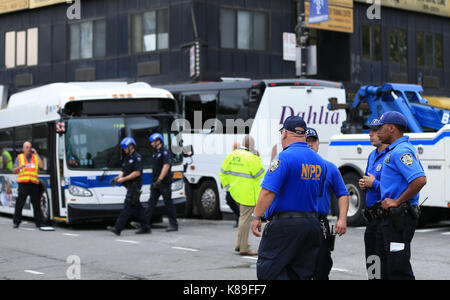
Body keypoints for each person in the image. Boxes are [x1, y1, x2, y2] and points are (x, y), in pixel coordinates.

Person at [251, 116, 327, 280]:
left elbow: (267, 191)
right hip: (311, 225)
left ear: (284, 133)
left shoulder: (283, 158)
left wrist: (257, 216)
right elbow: (318, 192)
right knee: (301, 274)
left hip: (285, 226)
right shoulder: (319, 162)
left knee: (269, 271)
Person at [372, 111, 427, 280]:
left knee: (398, 268)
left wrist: (397, 201)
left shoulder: (401, 151)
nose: (378, 132)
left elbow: (419, 180)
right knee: (387, 268)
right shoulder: (394, 150)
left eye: (380, 128)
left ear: (391, 128)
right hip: (391, 219)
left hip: (398, 219)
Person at [305, 127, 349, 280]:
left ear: (318, 143)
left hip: (319, 222)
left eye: (313, 141)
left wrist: (342, 219)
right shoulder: (292, 164)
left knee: (322, 265)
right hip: (298, 220)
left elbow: (343, 193)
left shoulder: (329, 167)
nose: (310, 144)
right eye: (306, 141)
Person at [219, 136, 265, 255]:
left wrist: (229, 187)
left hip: (235, 192)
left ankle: (239, 244)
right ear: (252, 146)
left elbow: (223, 172)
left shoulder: (233, 154)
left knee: (241, 218)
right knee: (245, 220)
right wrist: (257, 158)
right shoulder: (251, 157)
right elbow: (259, 174)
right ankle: (244, 248)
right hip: (247, 194)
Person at [358, 119, 389, 280]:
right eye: (369, 130)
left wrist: (374, 184)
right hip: (372, 218)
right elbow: (369, 178)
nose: (370, 134)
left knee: (384, 261)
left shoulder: (390, 155)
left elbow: (395, 188)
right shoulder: (372, 155)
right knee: (372, 259)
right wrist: (364, 183)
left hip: (385, 217)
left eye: (374, 130)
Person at [137, 133, 178, 234]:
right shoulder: (156, 152)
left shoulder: (164, 152)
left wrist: (159, 180)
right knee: (151, 203)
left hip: (163, 182)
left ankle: (173, 224)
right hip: (156, 182)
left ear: (158, 141)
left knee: (168, 203)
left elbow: (166, 166)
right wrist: (156, 181)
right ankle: (145, 225)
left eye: (152, 142)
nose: (151, 144)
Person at [107, 137, 146, 236]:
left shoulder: (137, 157)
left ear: (131, 146)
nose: (124, 150)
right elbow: (123, 171)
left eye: (125, 148)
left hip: (135, 186)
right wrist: (118, 178)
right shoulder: (127, 157)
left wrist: (123, 179)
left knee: (127, 206)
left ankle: (118, 228)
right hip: (129, 185)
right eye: (123, 148)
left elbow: (137, 173)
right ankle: (146, 227)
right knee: (137, 206)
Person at [12, 141, 45, 229]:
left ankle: (39, 223)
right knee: (20, 204)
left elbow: (42, 166)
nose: (28, 149)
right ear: (23, 149)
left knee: (36, 204)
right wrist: (19, 167)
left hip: (34, 184)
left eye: (30, 147)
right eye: (26, 147)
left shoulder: (35, 157)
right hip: (23, 184)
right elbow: (14, 171)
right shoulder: (19, 158)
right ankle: (16, 222)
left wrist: (36, 153)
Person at [224, 141, 241, 228]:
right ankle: (239, 216)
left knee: (240, 204)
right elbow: (224, 171)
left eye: (236, 147)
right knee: (229, 201)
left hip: (240, 186)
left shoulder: (242, 157)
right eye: (234, 147)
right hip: (231, 186)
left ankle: (239, 219)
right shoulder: (230, 157)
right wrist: (226, 185)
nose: (234, 149)